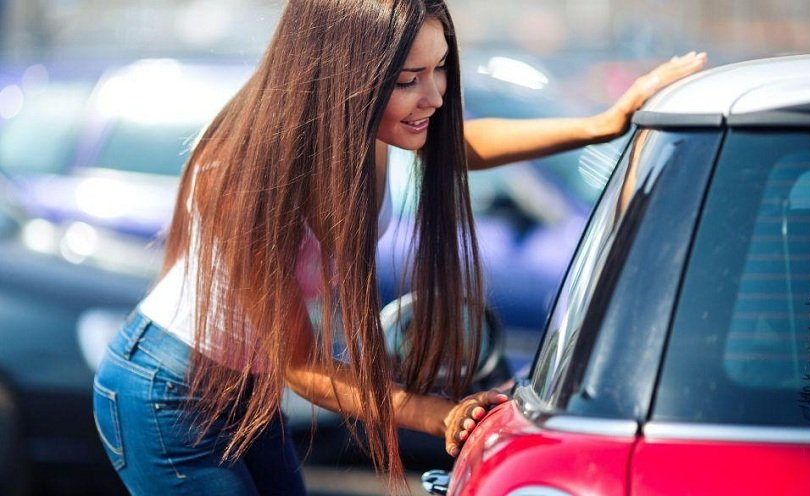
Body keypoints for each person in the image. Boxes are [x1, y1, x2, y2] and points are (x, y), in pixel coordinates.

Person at [92, 0, 706, 494]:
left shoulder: (364, 130)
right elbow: (301, 365)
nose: (435, 96)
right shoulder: (248, 178)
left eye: (440, 69)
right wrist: (438, 413)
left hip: (243, 390)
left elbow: (459, 143)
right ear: (341, 80)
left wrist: (602, 123)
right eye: (410, 80)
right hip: (166, 392)